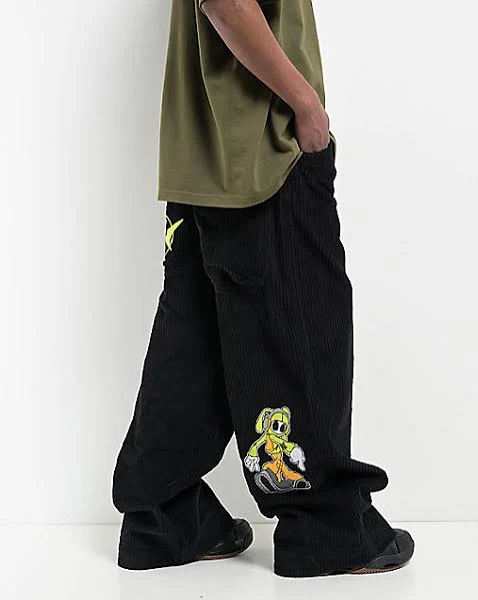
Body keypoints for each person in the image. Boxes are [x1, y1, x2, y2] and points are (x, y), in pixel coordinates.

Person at [112, 0, 414, 578]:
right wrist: (306, 105)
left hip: (204, 161)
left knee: (193, 345)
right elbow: (226, 4)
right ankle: (324, 529)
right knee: (303, 329)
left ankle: (163, 516)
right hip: (265, 154)